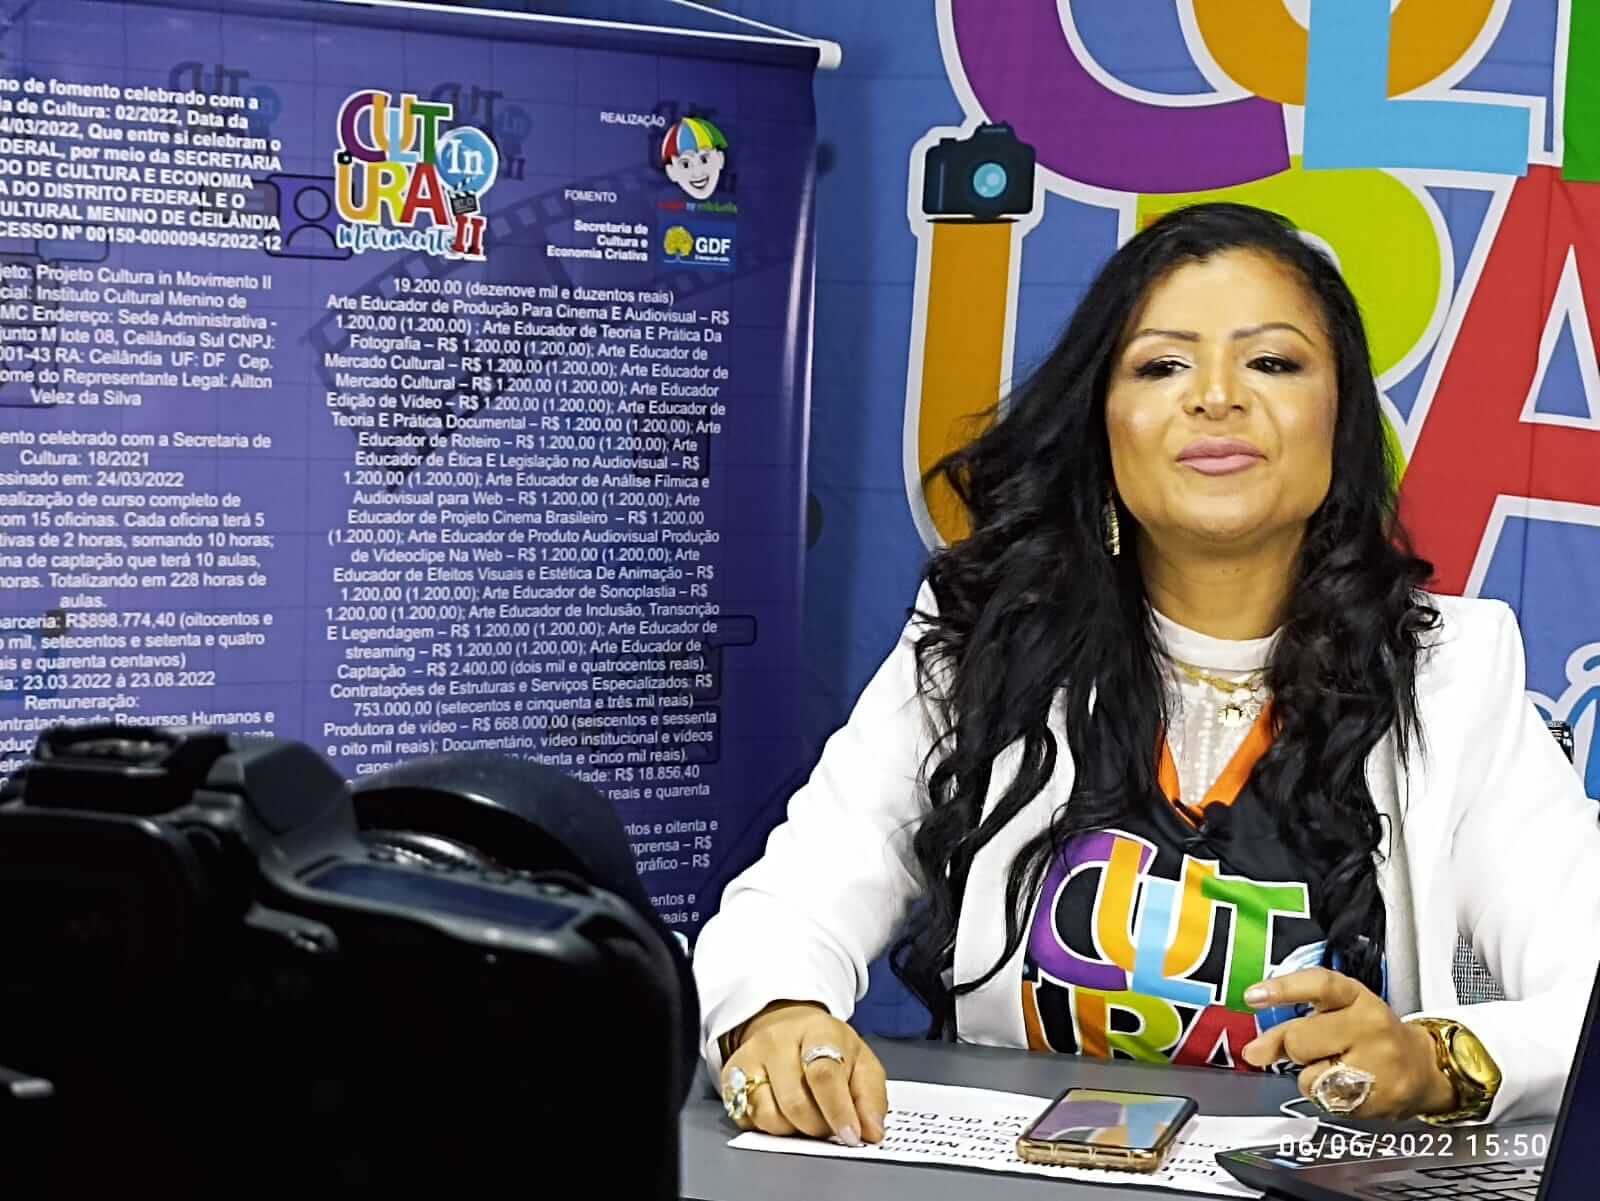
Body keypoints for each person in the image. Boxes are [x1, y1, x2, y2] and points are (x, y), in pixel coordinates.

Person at [692, 203, 1600, 1148]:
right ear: (1102, 422)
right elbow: (788, 905)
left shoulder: (1454, 675)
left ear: (1341, 419)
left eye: (1272, 362)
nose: (1216, 397)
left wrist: (1437, 1059)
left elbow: (1587, 987)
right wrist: (776, 1014)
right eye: (1162, 365)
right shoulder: (984, 643)